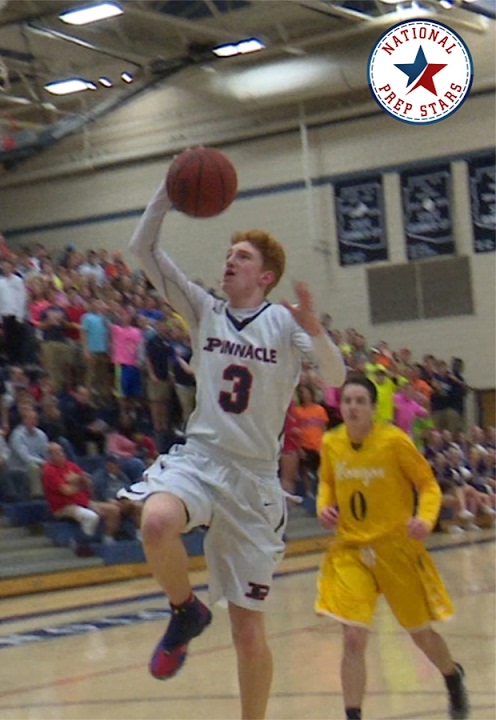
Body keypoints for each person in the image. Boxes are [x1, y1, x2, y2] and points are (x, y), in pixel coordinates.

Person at [120, 180, 345, 719]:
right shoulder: (204, 310)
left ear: (265, 275)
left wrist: (315, 330)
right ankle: (185, 611)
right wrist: (167, 193)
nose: (229, 262)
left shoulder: (285, 324)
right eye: (227, 255)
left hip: (254, 482)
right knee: (155, 523)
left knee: (248, 631)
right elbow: (142, 251)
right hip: (200, 460)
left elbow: (335, 376)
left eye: (241, 257)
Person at [315, 375, 469, 720]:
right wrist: (323, 506)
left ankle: (452, 676)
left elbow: (428, 484)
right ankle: (353, 714)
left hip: (395, 548)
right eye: (348, 401)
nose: (352, 407)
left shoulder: (394, 441)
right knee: (353, 637)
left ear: (373, 408)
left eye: (360, 401)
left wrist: (425, 519)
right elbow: (326, 481)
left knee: (420, 635)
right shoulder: (331, 443)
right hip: (352, 550)